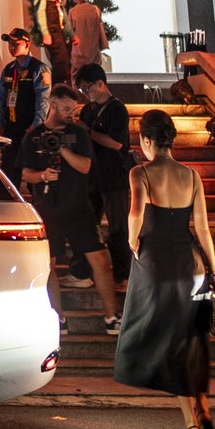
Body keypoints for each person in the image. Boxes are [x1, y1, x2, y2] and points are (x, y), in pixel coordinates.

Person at [115, 108, 215, 429]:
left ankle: (190, 423)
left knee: (166, 340)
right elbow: (202, 228)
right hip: (193, 265)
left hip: (159, 265)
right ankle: (203, 408)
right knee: (194, 337)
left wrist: (133, 242)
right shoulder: (192, 175)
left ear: (146, 140)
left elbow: (135, 213)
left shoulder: (140, 173)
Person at [19, 85, 121, 331]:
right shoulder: (33, 136)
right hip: (47, 210)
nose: (70, 114)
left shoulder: (78, 133)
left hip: (79, 208)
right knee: (48, 266)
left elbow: (85, 166)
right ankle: (58, 318)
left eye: (73, 110)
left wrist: (61, 147)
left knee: (101, 260)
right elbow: (24, 174)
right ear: (52, 103)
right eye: (66, 108)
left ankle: (112, 317)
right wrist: (43, 176)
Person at [78, 62, 134, 282]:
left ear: (100, 83)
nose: (85, 94)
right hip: (92, 176)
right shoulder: (87, 110)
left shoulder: (117, 109)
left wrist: (88, 132)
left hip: (114, 178)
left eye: (86, 88)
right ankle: (85, 272)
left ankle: (123, 275)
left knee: (118, 228)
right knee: (87, 224)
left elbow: (118, 143)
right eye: (82, 90)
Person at [0, 29, 48, 180]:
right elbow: (1, 98)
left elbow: (43, 100)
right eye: (9, 43)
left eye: (15, 43)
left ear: (27, 44)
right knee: (9, 172)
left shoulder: (38, 68)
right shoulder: (8, 69)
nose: (11, 47)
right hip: (11, 127)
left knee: (33, 170)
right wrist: (0, 122)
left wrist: (36, 126)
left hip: (30, 128)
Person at [67, 0, 107, 79]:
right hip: (94, 49)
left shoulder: (73, 11)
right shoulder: (95, 9)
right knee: (95, 76)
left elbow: (70, 31)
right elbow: (100, 27)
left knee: (77, 76)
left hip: (79, 50)